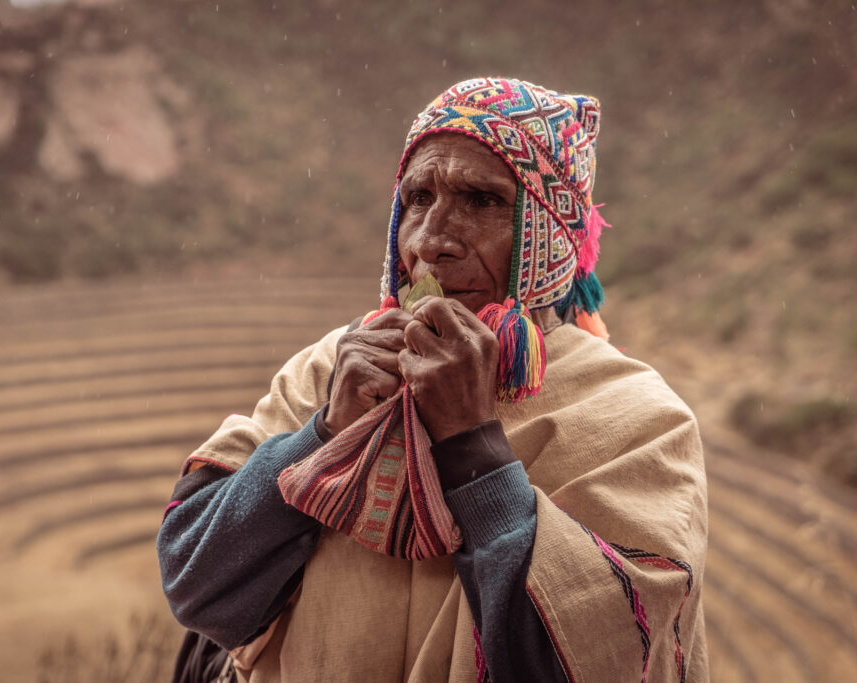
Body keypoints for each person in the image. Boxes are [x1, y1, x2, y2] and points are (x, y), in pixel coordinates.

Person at [157, 77, 708, 682]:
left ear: (545, 238)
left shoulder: (637, 417)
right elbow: (195, 583)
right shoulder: (328, 370)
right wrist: (323, 434)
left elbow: (606, 657)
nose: (430, 242)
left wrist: (473, 443)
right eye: (419, 198)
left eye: (482, 200)